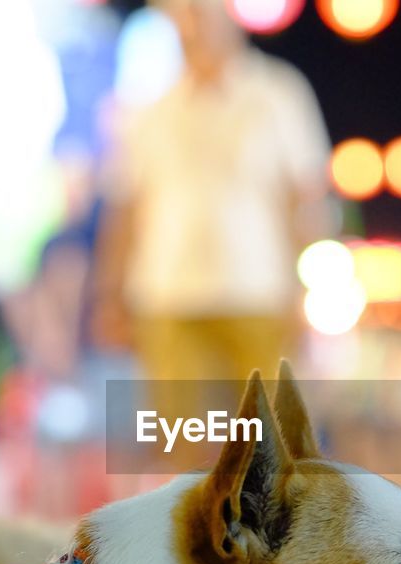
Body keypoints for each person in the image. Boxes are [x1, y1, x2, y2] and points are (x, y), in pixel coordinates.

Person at [94, 0, 332, 459]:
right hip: (168, 299)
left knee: (274, 450)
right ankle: (197, 533)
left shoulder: (277, 93)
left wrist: (308, 290)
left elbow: (306, 202)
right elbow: (125, 211)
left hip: (258, 294)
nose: (189, 24)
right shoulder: (149, 110)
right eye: (179, 14)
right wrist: (110, 294)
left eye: (199, 12)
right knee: (183, 452)